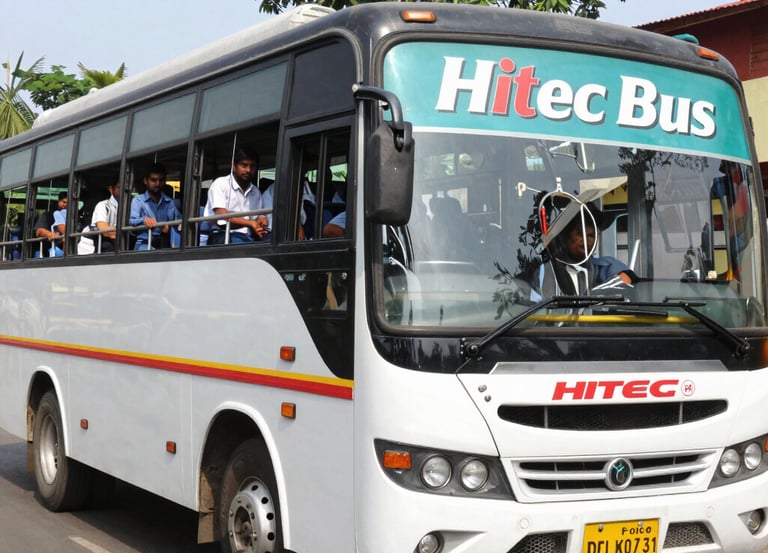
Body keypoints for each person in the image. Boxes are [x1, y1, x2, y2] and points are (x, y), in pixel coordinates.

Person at [531, 202, 633, 297]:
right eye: (580, 233)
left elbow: (627, 277)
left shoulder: (602, 266)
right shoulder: (546, 268)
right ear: (566, 236)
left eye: (591, 235)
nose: (586, 240)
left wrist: (592, 296)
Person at [204, 147, 268, 245]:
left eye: (252, 166)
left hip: (248, 236)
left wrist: (261, 221)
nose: (248, 170)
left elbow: (257, 218)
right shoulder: (220, 184)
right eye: (244, 165)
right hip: (222, 234)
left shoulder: (256, 192)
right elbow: (221, 215)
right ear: (234, 166)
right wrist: (250, 223)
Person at [129, 163, 181, 250]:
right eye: (153, 180)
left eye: (160, 180)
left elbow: (177, 221)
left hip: (163, 242)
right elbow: (131, 221)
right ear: (145, 181)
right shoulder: (138, 200)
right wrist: (144, 220)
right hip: (144, 243)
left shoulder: (169, 202)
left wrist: (173, 225)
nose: (157, 183)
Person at [78, 178, 119, 254]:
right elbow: (105, 231)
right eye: (119, 187)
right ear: (111, 189)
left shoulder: (126, 206)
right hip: (90, 247)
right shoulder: (103, 205)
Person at [33, 191, 67, 257]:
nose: (65, 205)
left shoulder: (73, 217)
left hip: (65, 251)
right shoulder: (47, 215)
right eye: (64, 202)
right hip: (47, 251)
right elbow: (38, 231)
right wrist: (50, 234)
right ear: (58, 201)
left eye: (68, 203)